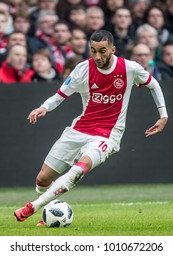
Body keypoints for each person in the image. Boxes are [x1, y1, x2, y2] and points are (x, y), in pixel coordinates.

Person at [14, 30, 168, 225]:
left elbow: (153, 84)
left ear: (113, 49)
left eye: (102, 51)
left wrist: (163, 115)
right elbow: (60, 95)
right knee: (43, 179)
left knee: (79, 169)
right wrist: (44, 107)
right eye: (93, 51)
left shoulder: (129, 68)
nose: (97, 56)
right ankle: (49, 209)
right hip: (79, 129)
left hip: (107, 136)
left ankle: (32, 207)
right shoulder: (82, 69)